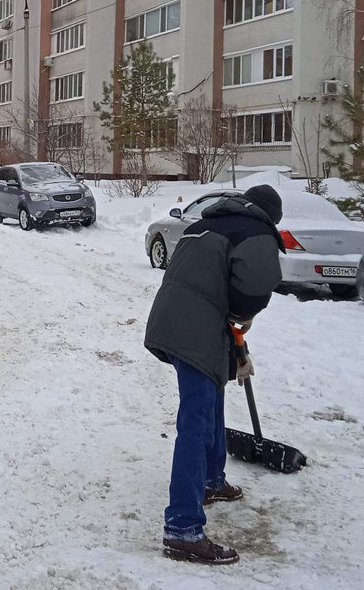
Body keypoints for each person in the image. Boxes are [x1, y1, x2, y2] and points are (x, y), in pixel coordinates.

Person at [143, 184, 285, 566]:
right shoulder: (256, 232)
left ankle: (211, 480)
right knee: (196, 416)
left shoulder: (202, 225)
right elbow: (256, 286)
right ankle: (182, 529)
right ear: (271, 215)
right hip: (195, 328)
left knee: (212, 396)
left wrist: (231, 324)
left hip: (176, 319)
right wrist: (242, 314)